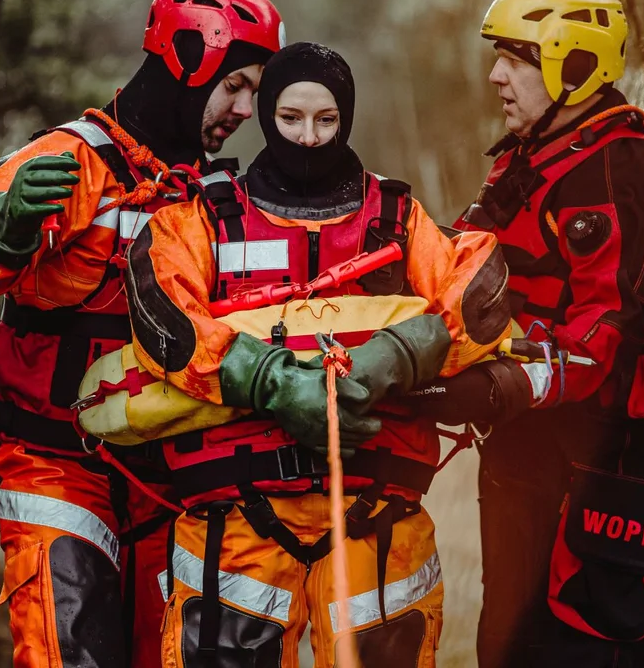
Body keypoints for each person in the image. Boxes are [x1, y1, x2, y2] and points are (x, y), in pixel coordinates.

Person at [0, 0, 284, 668]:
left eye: (254, 92)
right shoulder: (74, 157)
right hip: (57, 471)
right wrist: (6, 229)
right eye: (237, 84)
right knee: (72, 653)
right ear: (189, 58)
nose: (246, 108)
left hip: (168, 475)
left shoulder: (213, 195)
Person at [123, 41, 513, 667]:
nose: (308, 137)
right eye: (291, 118)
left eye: (326, 120)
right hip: (235, 524)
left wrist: (404, 353)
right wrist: (269, 381)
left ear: (348, 119)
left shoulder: (396, 217)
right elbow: (161, 312)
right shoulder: (207, 217)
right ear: (268, 116)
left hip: (377, 521)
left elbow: (480, 290)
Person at [407, 0, 644, 668]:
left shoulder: (642, 170)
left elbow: (612, 325)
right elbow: (457, 272)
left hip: (608, 456)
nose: (495, 76)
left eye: (515, 59)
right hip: (523, 443)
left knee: (583, 637)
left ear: (573, 65)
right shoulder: (526, 163)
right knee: (507, 638)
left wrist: (499, 386)